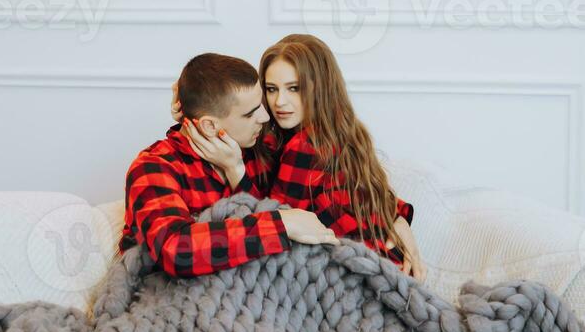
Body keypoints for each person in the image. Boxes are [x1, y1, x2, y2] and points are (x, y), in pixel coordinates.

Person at [178, 35, 425, 281]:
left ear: (321, 88)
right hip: (385, 266)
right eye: (271, 89)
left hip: (361, 277)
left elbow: (272, 221)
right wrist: (398, 216)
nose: (279, 102)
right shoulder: (343, 131)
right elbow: (368, 194)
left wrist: (234, 170)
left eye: (294, 88)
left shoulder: (305, 146)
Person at [119, 52, 339, 277]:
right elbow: (176, 250)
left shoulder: (257, 151)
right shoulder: (156, 166)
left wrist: (236, 170)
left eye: (261, 103)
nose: (265, 117)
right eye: (251, 113)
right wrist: (281, 223)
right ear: (210, 126)